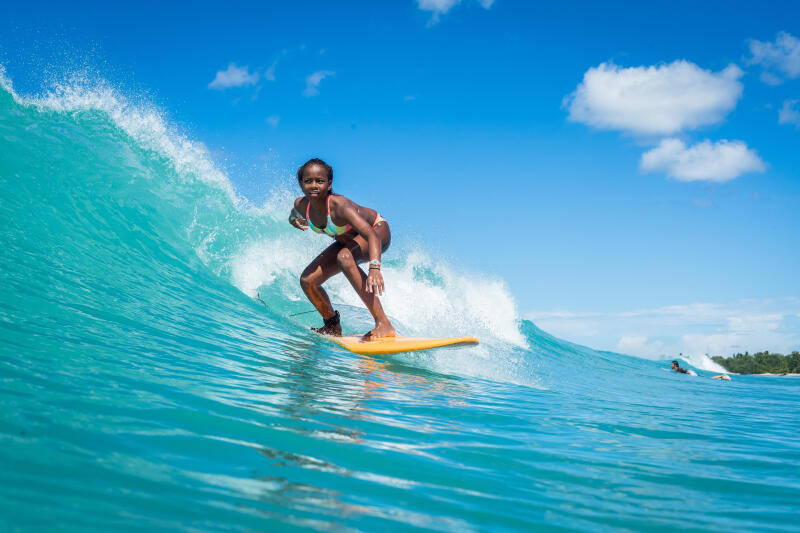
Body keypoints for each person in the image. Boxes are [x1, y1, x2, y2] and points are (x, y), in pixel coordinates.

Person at [288, 158, 396, 340]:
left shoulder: (340, 207)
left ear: (329, 184)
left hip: (377, 232)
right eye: (308, 181)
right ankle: (332, 325)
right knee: (308, 280)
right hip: (349, 240)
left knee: (345, 257)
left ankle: (383, 324)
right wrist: (294, 222)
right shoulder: (301, 205)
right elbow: (293, 215)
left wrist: (375, 267)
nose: (314, 185)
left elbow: (371, 236)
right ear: (301, 183)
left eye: (320, 181)